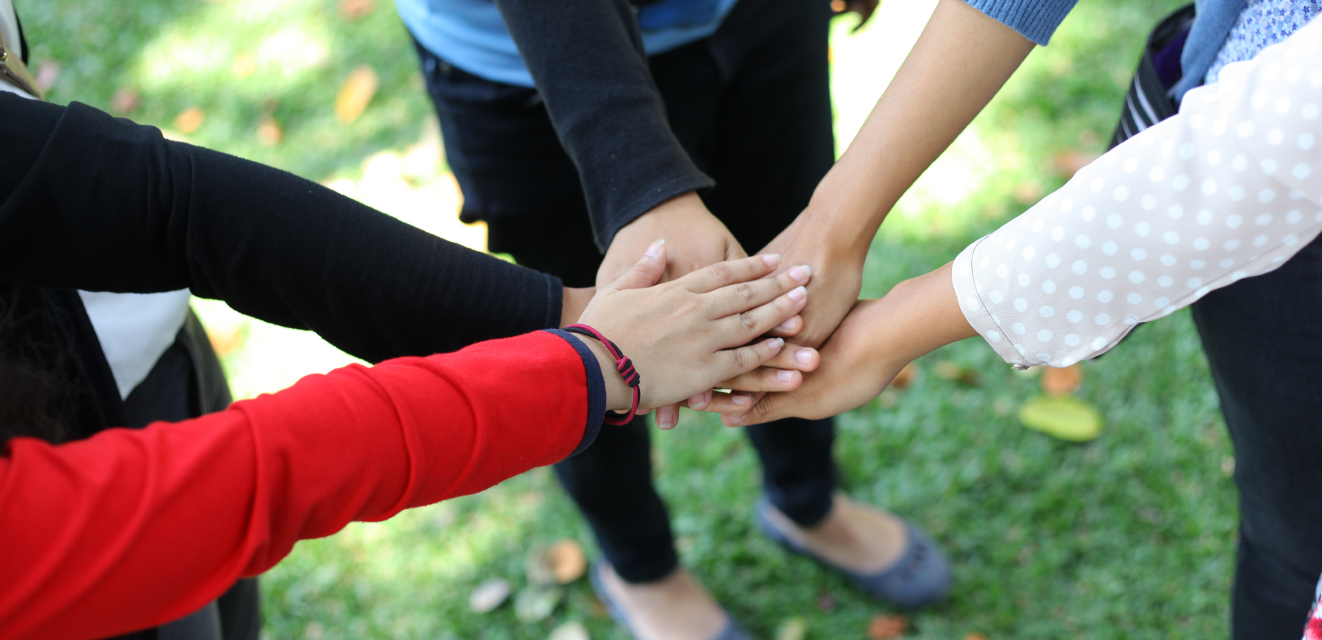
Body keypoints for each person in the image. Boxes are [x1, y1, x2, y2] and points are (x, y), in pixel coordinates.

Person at [0, 20, 819, 639]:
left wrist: (570, 326)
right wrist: (595, 363)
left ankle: (808, 507)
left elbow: (170, 206)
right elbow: (254, 478)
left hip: (144, 358)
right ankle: (645, 570)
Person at [691, 0, 1322, 634]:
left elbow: (1247, 164)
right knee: (1300, 536)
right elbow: (1254, 159)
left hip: (1267, 163)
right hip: (1285, 191)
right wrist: (835, 228)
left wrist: (886, 331)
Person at [397, 1, 947, 637]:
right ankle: (642, 568)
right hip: (530, 67)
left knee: (792, 287)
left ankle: (809, 500)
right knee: (588, 343)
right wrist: (643, 186)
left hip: (754, 20)